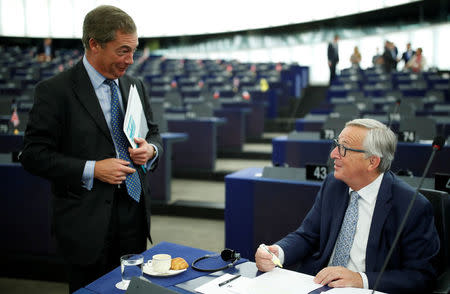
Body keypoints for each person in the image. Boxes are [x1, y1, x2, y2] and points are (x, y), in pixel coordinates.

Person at [20, 5, 163, 293]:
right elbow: (33, 155)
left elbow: (153, 133)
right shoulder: (54, 91)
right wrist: (93, 169)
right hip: (86, 222)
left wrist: (151, 150)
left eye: (133, 50)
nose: (130, 60)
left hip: (134, 212)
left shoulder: (134, 85)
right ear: (94, 44)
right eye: (123, 51)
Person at [255, 118, 439, 293]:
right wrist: (278, 253)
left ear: (372, 161)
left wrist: (361, 279)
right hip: (317, 284)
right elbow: (308, 235)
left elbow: (422, 276)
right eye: (336, 145)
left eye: (344, 149)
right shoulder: (333, 185)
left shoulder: (412, 206)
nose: (333, 154)